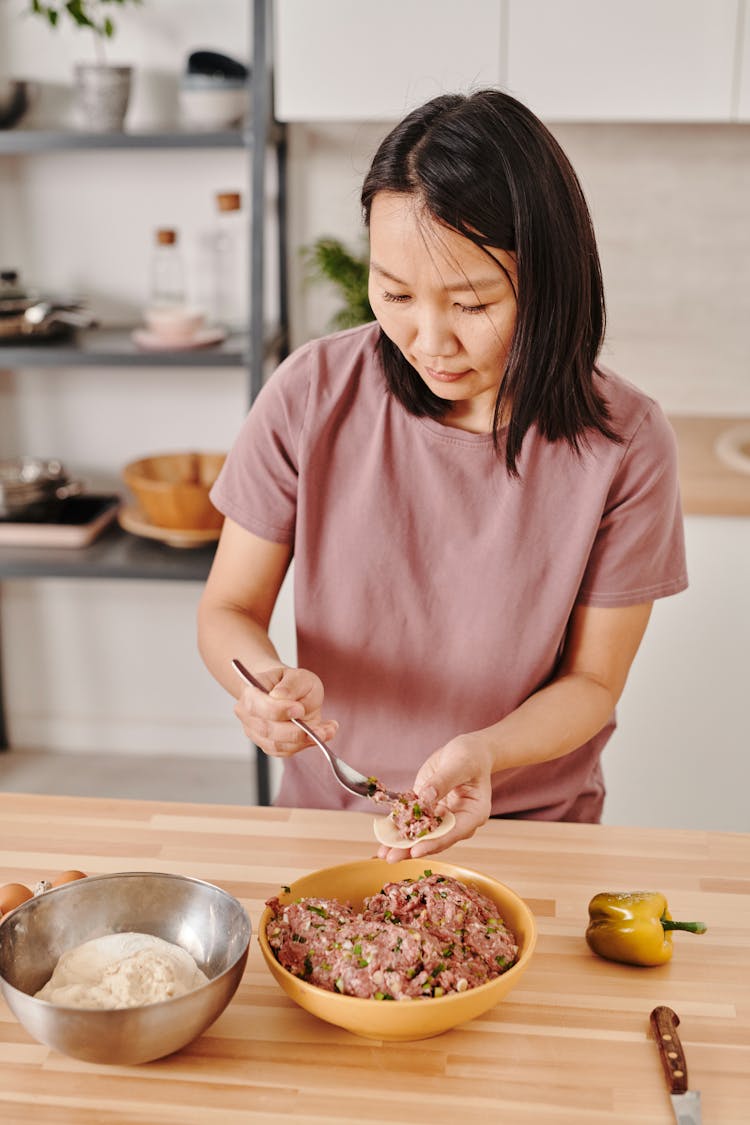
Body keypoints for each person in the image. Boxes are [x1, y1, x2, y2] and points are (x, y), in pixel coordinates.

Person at [197, 89, 687, 860]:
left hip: (531, 831)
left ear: (548, 277)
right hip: (331, 818)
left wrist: (485, 752)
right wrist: (264, 684)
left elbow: (594, 684)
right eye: (394, 293)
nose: (429, 340)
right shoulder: (311, 392)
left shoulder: (626, 443)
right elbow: (227, 606)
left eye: (470, 302)